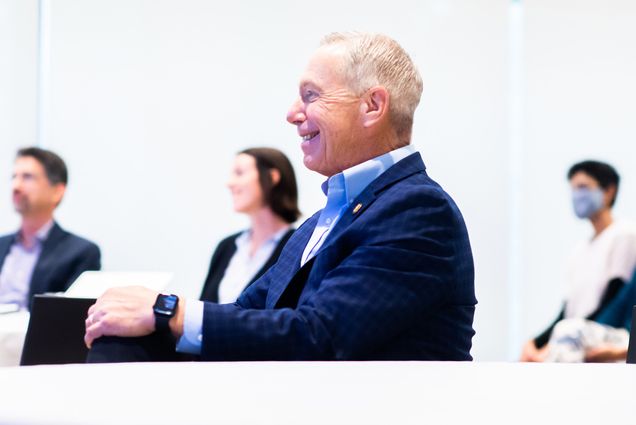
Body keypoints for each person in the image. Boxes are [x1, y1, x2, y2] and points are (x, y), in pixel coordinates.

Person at [84, 32, 476, 362]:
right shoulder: (321, 222)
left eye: (311, 95)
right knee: (119, 337)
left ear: (372, 106)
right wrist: (144, 314)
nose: (292, 113)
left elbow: (320, 335)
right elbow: (244, 313)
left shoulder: (418, 210)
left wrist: (166, 311)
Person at [520, 160, 636, 362]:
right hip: (574, 333)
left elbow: (615, 298)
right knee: (531, 350)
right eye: (572, 189)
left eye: (583, 187)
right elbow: (567, 312)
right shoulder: (580, 250)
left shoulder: (624, 234)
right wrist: (537, 342)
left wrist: (554, 345)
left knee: (569, 332)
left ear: (608, 191)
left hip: (608, 332)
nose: (576, 195)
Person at [0, 147, 101, 310]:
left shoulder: (81, 253)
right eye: (14, 177)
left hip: (32, 334)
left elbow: (69, 317)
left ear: (57, 191)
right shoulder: (2, 245)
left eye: (27, 177)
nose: (16, 186)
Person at [200, 147, 299, 303]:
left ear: (272, 177)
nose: (229, 183)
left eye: (239, 173)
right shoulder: (226, 246)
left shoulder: (298, 247)